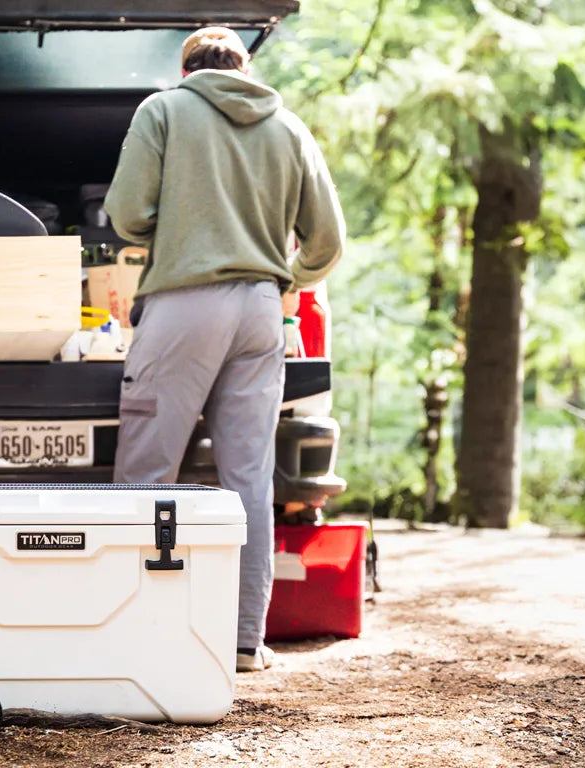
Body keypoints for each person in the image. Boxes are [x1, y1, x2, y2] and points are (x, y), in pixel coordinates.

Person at [104, 27, 345, 672]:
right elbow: (327, 239)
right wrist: (285, 279)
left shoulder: (163, 111)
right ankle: (243, 641)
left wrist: (180, 224)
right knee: (248, 480)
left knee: (148, 475)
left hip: (183, 305)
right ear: (245, 69)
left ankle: (134, 630)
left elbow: (126, 213)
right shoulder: (289, 127)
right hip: (262, 313)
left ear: (188, 72)